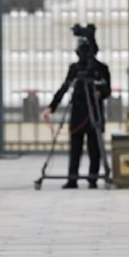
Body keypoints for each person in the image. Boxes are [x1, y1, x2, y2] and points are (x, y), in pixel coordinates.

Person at [41, 36, 111, 189]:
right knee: (75, 147)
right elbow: (64, 88)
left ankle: (93, 178)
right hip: (78, 112)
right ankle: (72, 178)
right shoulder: (75, 69)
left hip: (94, 112)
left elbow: (107, 90)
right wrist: (51, 107)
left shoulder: (101, 69)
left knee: (94, 148)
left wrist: (100, 92)